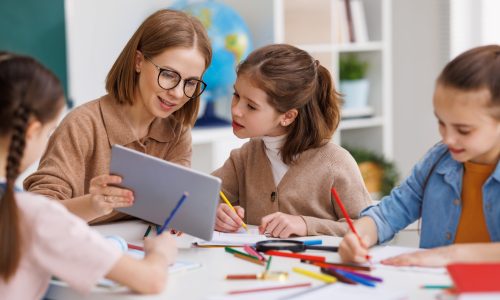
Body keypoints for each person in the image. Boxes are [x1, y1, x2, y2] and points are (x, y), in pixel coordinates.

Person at [0, 53, 177, 298]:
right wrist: (161, 253)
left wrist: (91, 206)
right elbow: (151, 280)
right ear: (32, 131)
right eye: (50, 131)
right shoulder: (32, 215)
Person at [24, 9, 212, 224]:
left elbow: (169, 208)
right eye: (168, 75)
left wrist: (180, 214)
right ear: (138, 61)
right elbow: (38, 213)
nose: (178, 94)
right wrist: (92, 204)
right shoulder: (82, 125)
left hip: (134, 248)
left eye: (190, 83)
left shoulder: (177, 132)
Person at [339, 45, 500, 267]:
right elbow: (389, 213)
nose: (447, 139)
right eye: (441, 123)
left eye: (464, 130)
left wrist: (447, 255)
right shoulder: (439, 159)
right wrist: (358, 236)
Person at [212, 44, 372, 238]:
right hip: (259, 267)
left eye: (251, 106)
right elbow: (199, 198)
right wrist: (216, 213)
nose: (236, 110)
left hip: (315, 268)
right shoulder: (245, 158)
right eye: (236, 95)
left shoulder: (335, 164)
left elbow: (367, 228)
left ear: (287, 116)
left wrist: (307, 225)